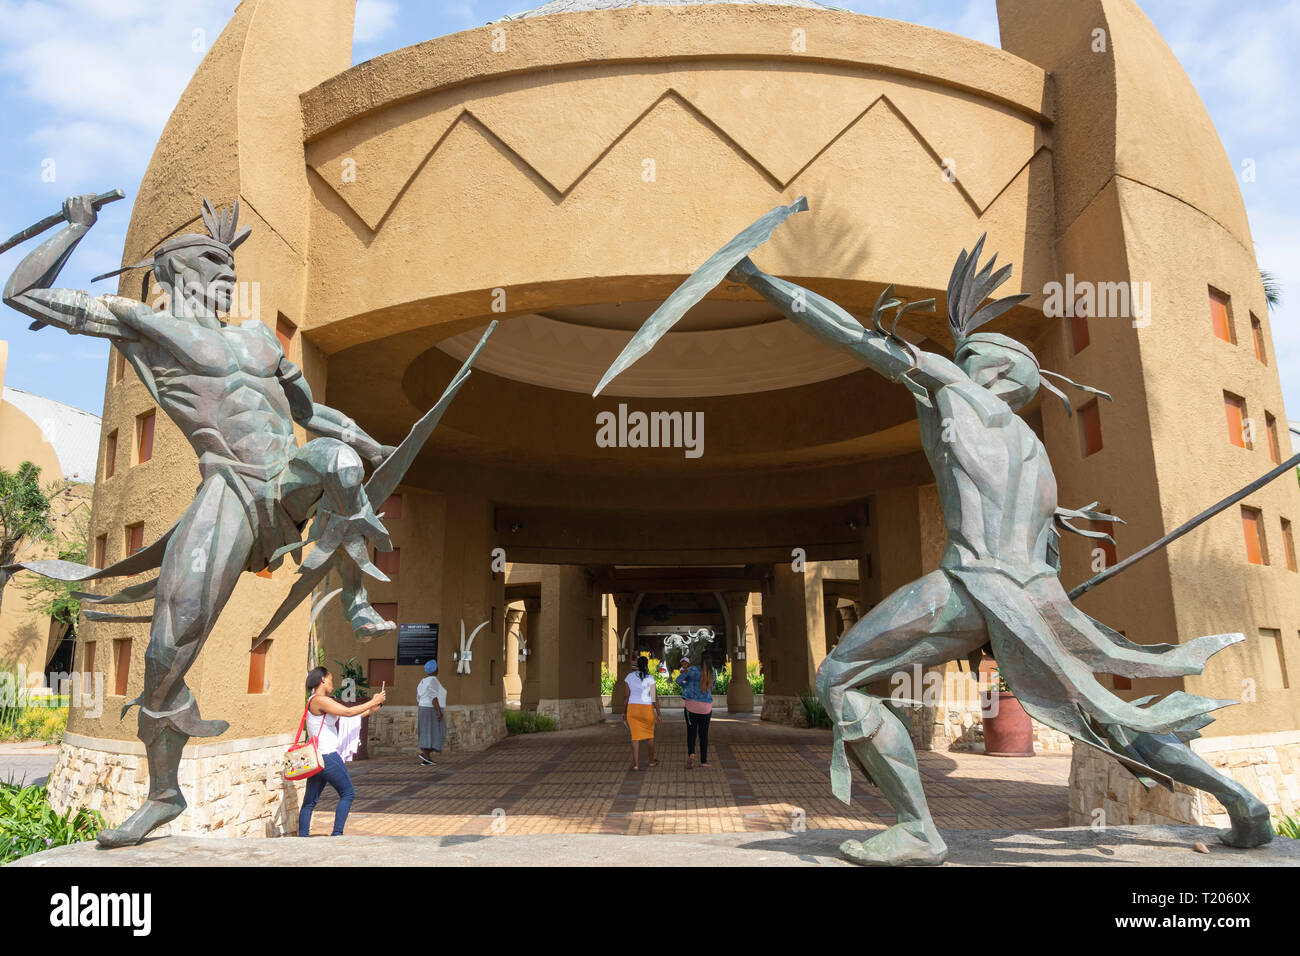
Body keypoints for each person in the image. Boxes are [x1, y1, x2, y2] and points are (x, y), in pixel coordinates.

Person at [298, 666, 386, 837]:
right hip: (327, 755)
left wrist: (370, 710)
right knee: (348, 793)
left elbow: (346, 719)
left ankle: (302, 838)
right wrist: (372, 701)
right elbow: (347, 711)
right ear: (322, 679)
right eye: (330, 679)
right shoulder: (319, 700)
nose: (332, 683)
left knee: (310, 801)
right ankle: (337, 834)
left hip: (316, 756)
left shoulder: (317, 700)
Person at [676, 653, 716, 768]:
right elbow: (712, 686)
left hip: (691, 706)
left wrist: (686, 685)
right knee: (704, 735)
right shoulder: (713, 673)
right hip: (706, 708)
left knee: (691, 733)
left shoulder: (691, 670)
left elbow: (679, 681)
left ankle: (692, 754)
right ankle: (703, 761)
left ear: (700, 659)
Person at [622, 656, 660, 770]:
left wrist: (623, 712)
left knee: (635, 737)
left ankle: (636, 764)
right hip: (647, 709)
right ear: (646, 665)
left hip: (633, 709)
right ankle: (651, 761)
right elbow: (654, 698)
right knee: (650, 736)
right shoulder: (651, 678)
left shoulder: (629, 677)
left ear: (637, 665)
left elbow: (626, 696)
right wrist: (659, 713)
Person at [416, 659, 447, 766]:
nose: (438, 669)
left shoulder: (423, 681)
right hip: (431, 709)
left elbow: (418, 697)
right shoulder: (433, 680)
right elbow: (433, 697)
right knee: (435, 732)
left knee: (426, 732)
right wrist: (438, 711)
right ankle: (425, 754)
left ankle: (426, 757)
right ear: (434, 669)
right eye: (437, 667)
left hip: (423, 708)